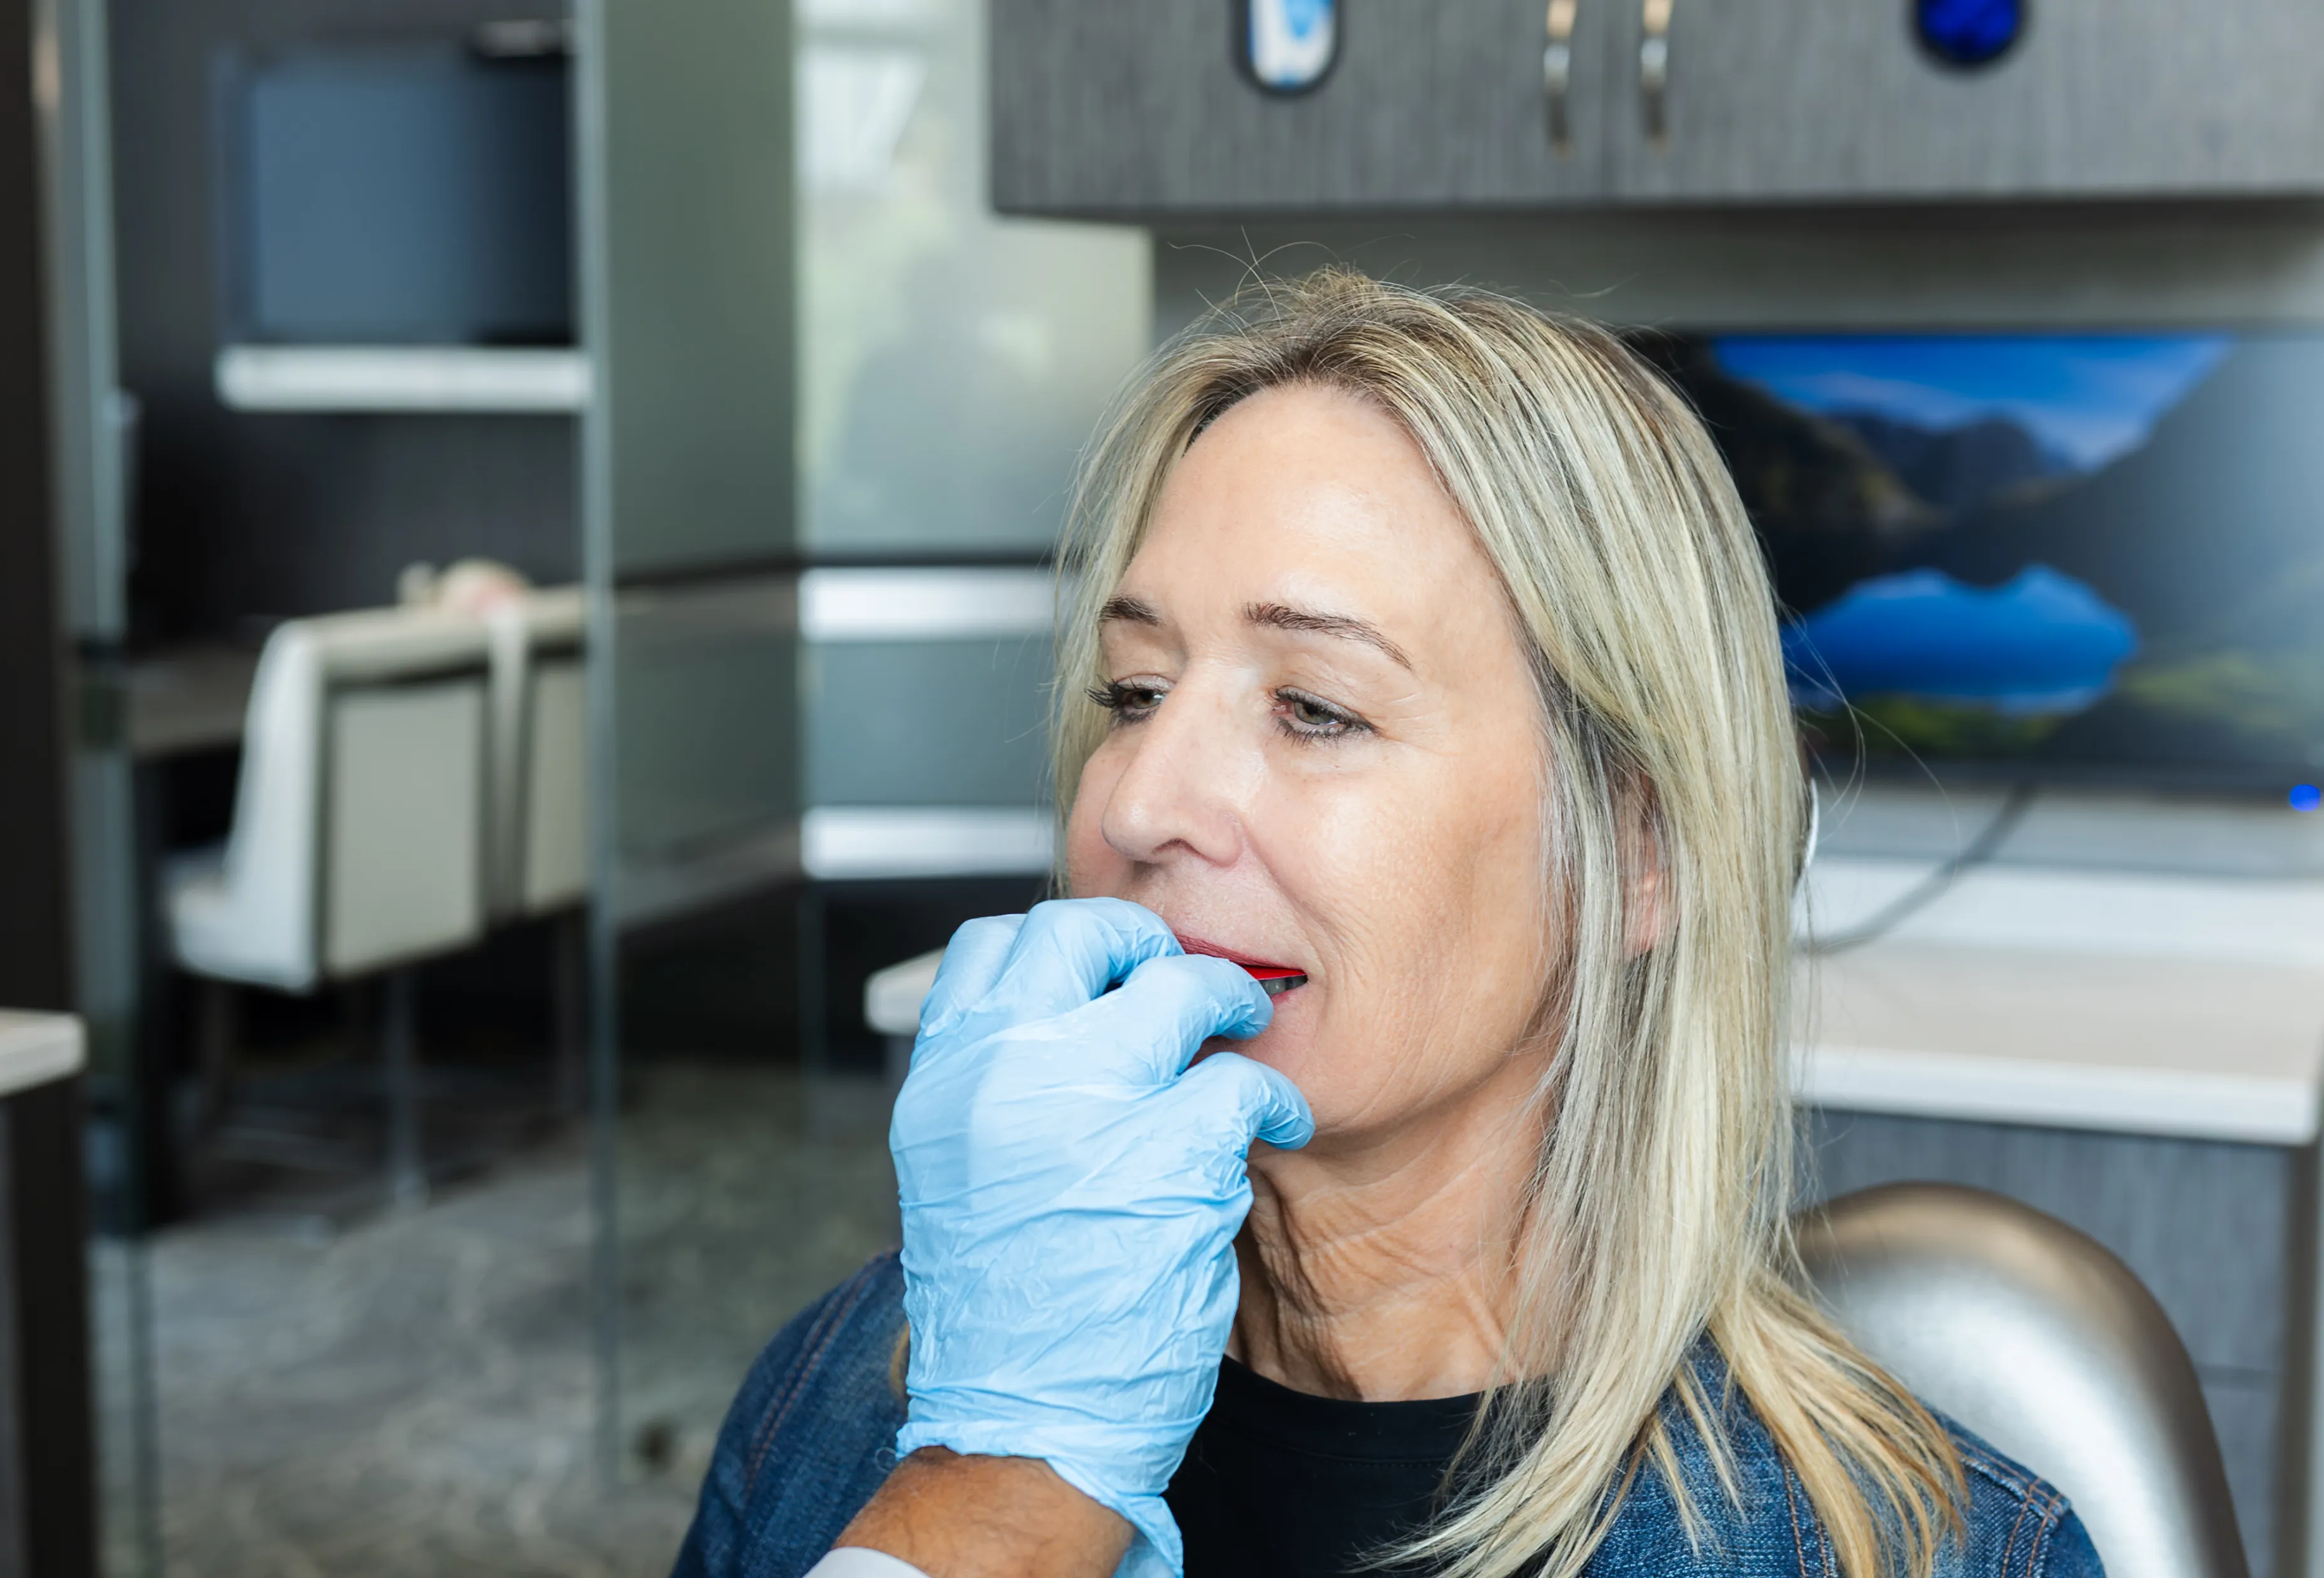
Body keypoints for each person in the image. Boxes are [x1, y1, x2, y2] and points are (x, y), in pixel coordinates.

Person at [672, 271, 2104, 1578]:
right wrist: (1002, 1472)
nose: (1143, 801)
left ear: (1640, 852)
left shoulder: (1948, 1559)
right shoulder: (826, 1408)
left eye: (1315, 707)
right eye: (1133, 692)